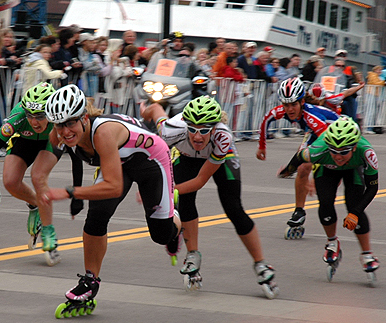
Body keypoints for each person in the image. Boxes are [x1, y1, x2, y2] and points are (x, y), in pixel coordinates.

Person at [42, 85, 181, 310]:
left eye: (70, 123)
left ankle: (174, 214)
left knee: (162, 235)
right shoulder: (58, 134)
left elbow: (114, 188)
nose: (65, 131)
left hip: (151, 160)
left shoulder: (102, 133)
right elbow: (43, 166)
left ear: (84, 118)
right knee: (96, 217)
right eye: (59, 124)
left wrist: (69, 192)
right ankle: (90, 280)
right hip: (119, 162)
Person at [141, 96, 279, 298]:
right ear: (185, 126)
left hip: (218, 157)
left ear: (214, 128)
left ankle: (261, 264)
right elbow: (155, 109)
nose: (198, 136)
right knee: (184, 201)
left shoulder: (223, 137)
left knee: (233, 208)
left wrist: (168, 191)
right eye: (193, 129)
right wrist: (144, 111)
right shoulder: (171, 130)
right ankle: (192, 255)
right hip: (187, 156)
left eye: (205, 130)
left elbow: (200, 180)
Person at [0, 82, 82, 265]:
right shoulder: (19, 119)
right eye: (30, 115)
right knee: (11, 182)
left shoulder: (59, 118)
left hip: (50, 142)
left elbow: (76, 156)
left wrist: (77, 195)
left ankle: (48, 232)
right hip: (24, 140)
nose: (34, 121)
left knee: (38, 177)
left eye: (39, 116)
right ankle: (36, 205)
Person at [278, 116, 380, 283]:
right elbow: (299, 158)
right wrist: (288, 171)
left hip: (353, 169)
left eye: (344, 152)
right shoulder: (319, 148)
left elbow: (372, 188)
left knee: (354, 206)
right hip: (327, 168)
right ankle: (332, 242)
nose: (338, 157)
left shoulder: (367, 152)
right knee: (325, 203)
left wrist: (354, 213)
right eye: (334, 151)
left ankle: (367, 254)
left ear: (354, 147)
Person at [256, 78, 339, 238]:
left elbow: (328, 145)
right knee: (301, 167)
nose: (289, 109)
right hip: (316, 133)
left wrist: (318, 174)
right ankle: (299, 211)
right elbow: (266, 119)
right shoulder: (284, 110)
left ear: (301, 102)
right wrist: (261, 146)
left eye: (293, 104)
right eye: (286, 105)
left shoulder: (312, 116)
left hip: (333, 135)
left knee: (311, 170)